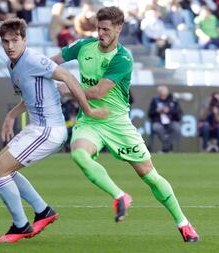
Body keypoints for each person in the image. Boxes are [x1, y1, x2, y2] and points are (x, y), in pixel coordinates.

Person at [50, 6, 199, 242]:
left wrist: (67, 89)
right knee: (79, 154)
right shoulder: (82, 47)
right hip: (91, 121)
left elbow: (99, 91)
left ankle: (184, 223)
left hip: (118, 124)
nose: (101, 33)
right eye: (98, 28)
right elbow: (51, 63)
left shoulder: (122, 58)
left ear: (119, 29)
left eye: (106, 29)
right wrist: (29, 70)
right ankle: (119, 195)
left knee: (149, 176)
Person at [0, 17, 108, 243]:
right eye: (6, 42)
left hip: (49, 130)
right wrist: (10, 116)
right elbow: (32, 96)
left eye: (15, 40)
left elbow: (68, 77)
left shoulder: (34, 59)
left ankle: (21, 226)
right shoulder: (12, 66)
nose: (10, 46)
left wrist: (88, 110)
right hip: (37, 127)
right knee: (3, 168)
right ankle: (43, 211)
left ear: (24, 40)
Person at [148, 85, 182, 153]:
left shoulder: (173, 100)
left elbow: (179, 111)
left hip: (171, 121)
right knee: (156, 127)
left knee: (177, 128)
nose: (163, 96)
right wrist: (156, 111)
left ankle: (165, 147)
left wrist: (169, 110)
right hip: (159, 122)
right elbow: (149, 113)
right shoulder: (155, 100)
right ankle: (168, 147)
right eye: (162, 95)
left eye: (164, 95)